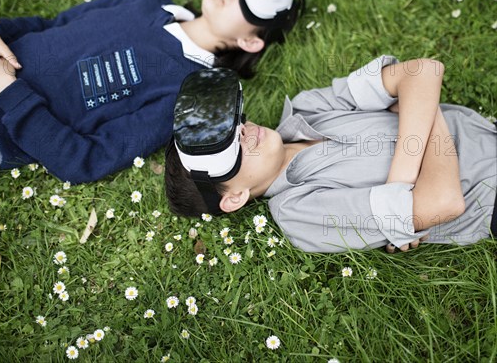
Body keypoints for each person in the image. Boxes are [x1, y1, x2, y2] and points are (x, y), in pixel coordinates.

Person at [0, 0, 303, 202]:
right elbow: (49, 24)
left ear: (251, 42)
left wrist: (10, 93)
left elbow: (83, 161)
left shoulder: (185, 92)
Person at [165, 56, 497, 253]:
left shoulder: (307, 106)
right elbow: (444, 202)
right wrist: (425, 109)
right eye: (228, 148)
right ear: (234, 198)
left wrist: (401, 181)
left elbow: (423, 71)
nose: (244, 131)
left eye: (231, 125)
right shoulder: (297, 212)